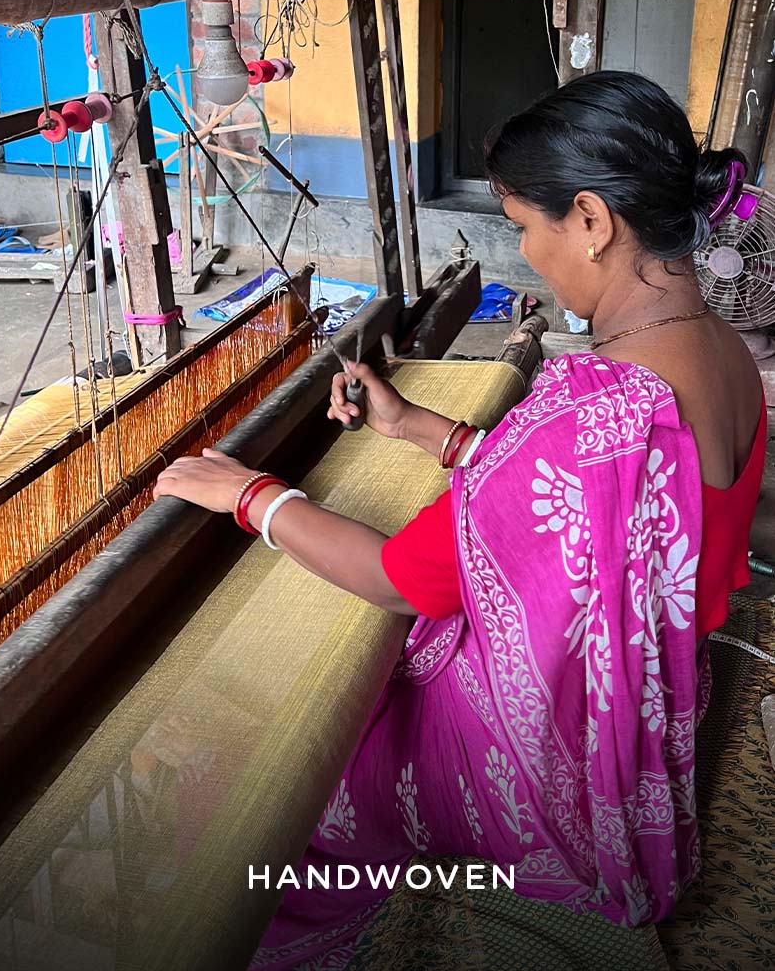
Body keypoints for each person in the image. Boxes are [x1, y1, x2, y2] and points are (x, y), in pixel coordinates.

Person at [153, 71, 765, 968]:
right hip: (652, 711)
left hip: (559, 759)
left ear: (591, 222)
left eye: (524, 227)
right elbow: (604, 515)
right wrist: (413, 427)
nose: (524, 252)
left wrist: (249, 496)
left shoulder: (592, 404)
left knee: (264, 789)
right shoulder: (722, 356)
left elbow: (399, 579)